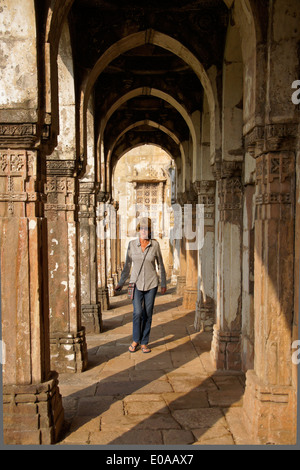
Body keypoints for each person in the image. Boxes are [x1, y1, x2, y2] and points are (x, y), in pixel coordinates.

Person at [115, 217, 167, 353]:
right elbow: (127, 265)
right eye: (142, 228)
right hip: (135, 284)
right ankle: (135, 340)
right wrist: (121, 283)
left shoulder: (155, 245)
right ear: (139, 230)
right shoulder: (132, 245)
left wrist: (163, 283)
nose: (144, 231)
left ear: (150, 231)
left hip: (151, 284)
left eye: (147, 229)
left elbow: (160, 264)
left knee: (147, 313)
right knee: (137, 312)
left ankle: (144, 342)